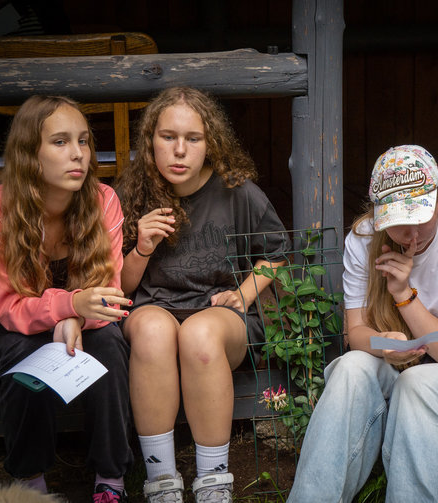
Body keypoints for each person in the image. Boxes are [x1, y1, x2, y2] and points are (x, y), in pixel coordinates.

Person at [288, 145, 438, 503]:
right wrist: (387, 345)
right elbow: (357, 334)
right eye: (398, 221)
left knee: (418, 382)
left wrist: (403, 294)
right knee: (352, 367)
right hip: (400, 362)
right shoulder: (363, 239)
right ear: (377, 212)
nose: (410, 232)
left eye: (420, 217)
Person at [116, 86, 289, 503]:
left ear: (210, 143)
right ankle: (160, 482)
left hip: (218, 315)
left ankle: (213, 481)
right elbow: (119, 288)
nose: (179, 150)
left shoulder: (237, 190)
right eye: (167, 137)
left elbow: (278, 252)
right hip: (152, 307)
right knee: (155, 331)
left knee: (198, 334)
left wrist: (243, 295)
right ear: (150, 141)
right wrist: (141, 248)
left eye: (193, 139)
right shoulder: (130, 193)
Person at [0, 95, 133, 501]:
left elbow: (107, 299)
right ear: (29, 154)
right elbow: (8, 309)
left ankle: (111, 479)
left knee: (109, 343)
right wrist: (70, 307)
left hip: (85, 325)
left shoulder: (104, 201)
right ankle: (30, 483)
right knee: (25, 349)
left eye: (84, 141)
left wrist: (76, 315)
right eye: (60, 142)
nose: (78, 154)